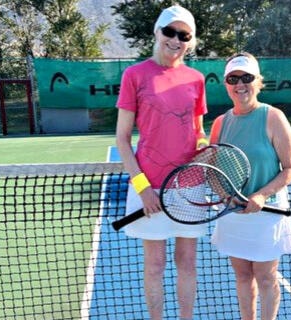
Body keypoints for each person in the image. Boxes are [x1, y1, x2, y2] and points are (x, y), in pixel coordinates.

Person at [115, 5, 208, 320]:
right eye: (170, 32)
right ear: (157, 33)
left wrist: (205, 148)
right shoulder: (134, 75)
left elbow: (198, 132)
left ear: (190, 41)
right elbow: (122, 140)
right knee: (154, 266)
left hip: (190, 187)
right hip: (150, 187)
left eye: (184, 35)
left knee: (187, 263)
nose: (176, 40)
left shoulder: (196, 79)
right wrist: (143, 188)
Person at [209, 52, 291, 320]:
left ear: (257, 81)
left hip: (267, 214)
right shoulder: (220, 123)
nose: (240, 84)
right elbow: (212, 172)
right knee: (243, 276)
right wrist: (225, 196)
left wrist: (260, 195)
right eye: (233, 78)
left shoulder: (273, 117)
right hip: (233, 216)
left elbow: (290, 168)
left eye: (246, 77)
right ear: (226, 84)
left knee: (266, 277)